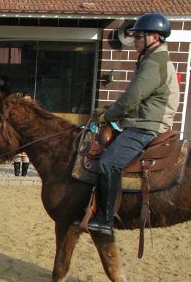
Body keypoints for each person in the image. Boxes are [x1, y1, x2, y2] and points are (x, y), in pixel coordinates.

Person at [75, 12, 180, 236]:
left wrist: (108, 116)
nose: (135, 41)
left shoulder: (154, 63)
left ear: (155, 37)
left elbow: (133, 97)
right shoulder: (152, 60)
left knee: (108, 162)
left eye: (139, 37)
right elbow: (135, 98)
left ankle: (105, 220)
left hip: (147, 126)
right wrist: (111, 112)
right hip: (142, 121)